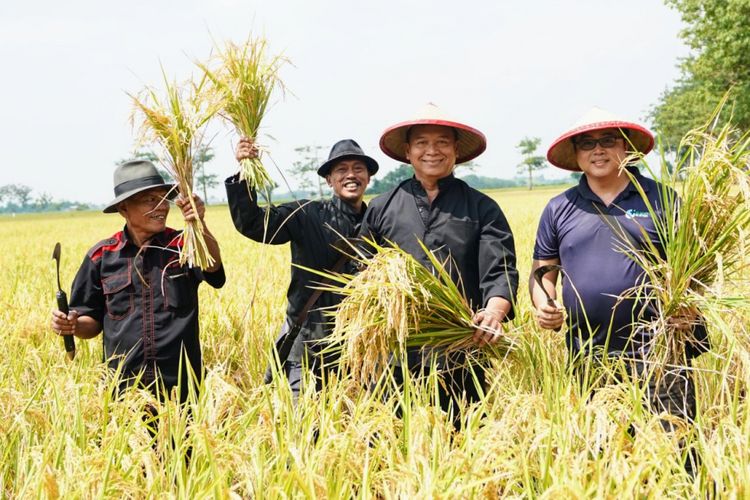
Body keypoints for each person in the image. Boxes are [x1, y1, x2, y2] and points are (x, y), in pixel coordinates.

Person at [530, 107, 708, 436]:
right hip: (589, 353)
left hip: (660, 351)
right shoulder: (559, 207)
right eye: (587, 143)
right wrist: (544, 304)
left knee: (674, 448)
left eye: (608, 140)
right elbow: (543, 272)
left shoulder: (662, 199)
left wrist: (690, 308)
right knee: (602, 458)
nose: (598, 150)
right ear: (577, 154)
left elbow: (695, 268)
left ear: (625, 147)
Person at [361, 103, 518, 424]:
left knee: (466, 434)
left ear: (456, 151)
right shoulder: (381, 208)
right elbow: (362, 272)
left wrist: (493, 313)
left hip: (461, 345)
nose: (432, 151)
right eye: (421, 142)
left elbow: (500, 271)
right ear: (407, 151)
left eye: (442, 142)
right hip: (396, 347)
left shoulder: (482, 208)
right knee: (392, 436)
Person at [50, 159, 225, 403]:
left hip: (182, 389)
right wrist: (72, 325)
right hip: (125, 392)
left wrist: (197, 222)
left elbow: (214, 270)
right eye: (150, 200)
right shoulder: (101, 256)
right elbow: (90, 320)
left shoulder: (183, 246)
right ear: (124, 208)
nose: (162, 207)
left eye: (164, 198)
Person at [226, 138, 379, 402]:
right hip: (311, 344)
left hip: (363, 347)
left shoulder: (378, 223)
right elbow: (254, 224)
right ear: (329, 180)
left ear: (368, 178)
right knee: (303, 424)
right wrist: (245, 172)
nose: (351, 175)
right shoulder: (307, 214)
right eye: (341, 170)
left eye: (358, 168)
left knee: (364, 422)